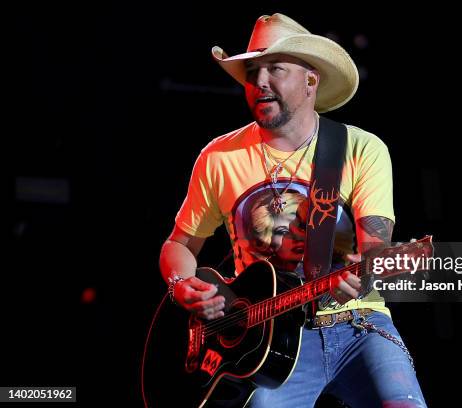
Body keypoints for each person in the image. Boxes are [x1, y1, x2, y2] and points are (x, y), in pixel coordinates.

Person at [159, 13, 428, 408]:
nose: (260, 81)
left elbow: (375, 251)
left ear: (310, 80)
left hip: (358, 326)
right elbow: (177, 244)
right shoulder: (218, 157)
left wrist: (360, 275)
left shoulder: (361, 148)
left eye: (275, 69)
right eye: (253, 71)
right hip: (265, 344)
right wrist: (181, 284)